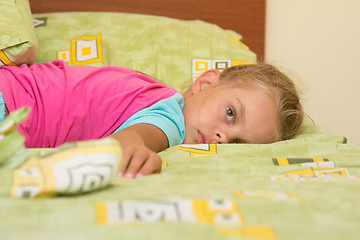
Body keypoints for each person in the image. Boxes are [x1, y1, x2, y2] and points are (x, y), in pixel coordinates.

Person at [0, 60, 303, 178]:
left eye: (238, 143)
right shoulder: (171, 117)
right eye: (230, 113)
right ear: (206, 83)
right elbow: (134, 137)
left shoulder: (148, 93)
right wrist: (134, 149)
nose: (222, 136)